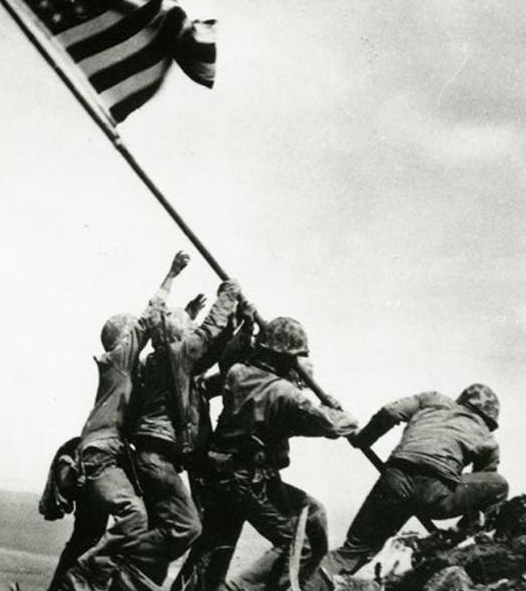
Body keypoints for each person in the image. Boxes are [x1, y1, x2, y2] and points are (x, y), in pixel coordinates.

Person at [176, 316, 357, 591]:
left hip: (222, 475)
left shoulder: (238, 373)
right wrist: (338, 411)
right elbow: (333, 425)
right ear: (285, 357)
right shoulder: (285, 394)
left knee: (216, 547)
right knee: (300, 544)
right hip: (249, 481)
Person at [54, 251, 191, 591]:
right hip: (101, 455)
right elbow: (149, 318)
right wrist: (172, 274)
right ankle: (85, 578)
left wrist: (187, 317)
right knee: (135, 516)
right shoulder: (118, 359)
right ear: (124, 338)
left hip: (102, 454)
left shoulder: (124, 371)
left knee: (87, 534)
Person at [325, 383, 509, 578]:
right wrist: (463, 531)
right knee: (499, 485)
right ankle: (456, 537)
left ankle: (308, 580)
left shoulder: (432, 399)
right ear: (490, 418)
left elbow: (390, 412)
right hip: (436, 494)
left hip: (395, 480)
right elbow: (481, 489)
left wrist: (362, 439)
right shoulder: (488, 439)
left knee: (352, 551)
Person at [127, 278, 243, 587]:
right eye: (188, 331)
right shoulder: (177, 356)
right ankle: (118, 557)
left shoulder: (166, 363)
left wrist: (238, 326)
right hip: (159, 458)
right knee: (188, 527)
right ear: (180, 336)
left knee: (168, 530)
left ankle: (131, 573)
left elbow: (213, 353)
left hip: (156, 456)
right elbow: (207, 335)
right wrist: (227, 296)